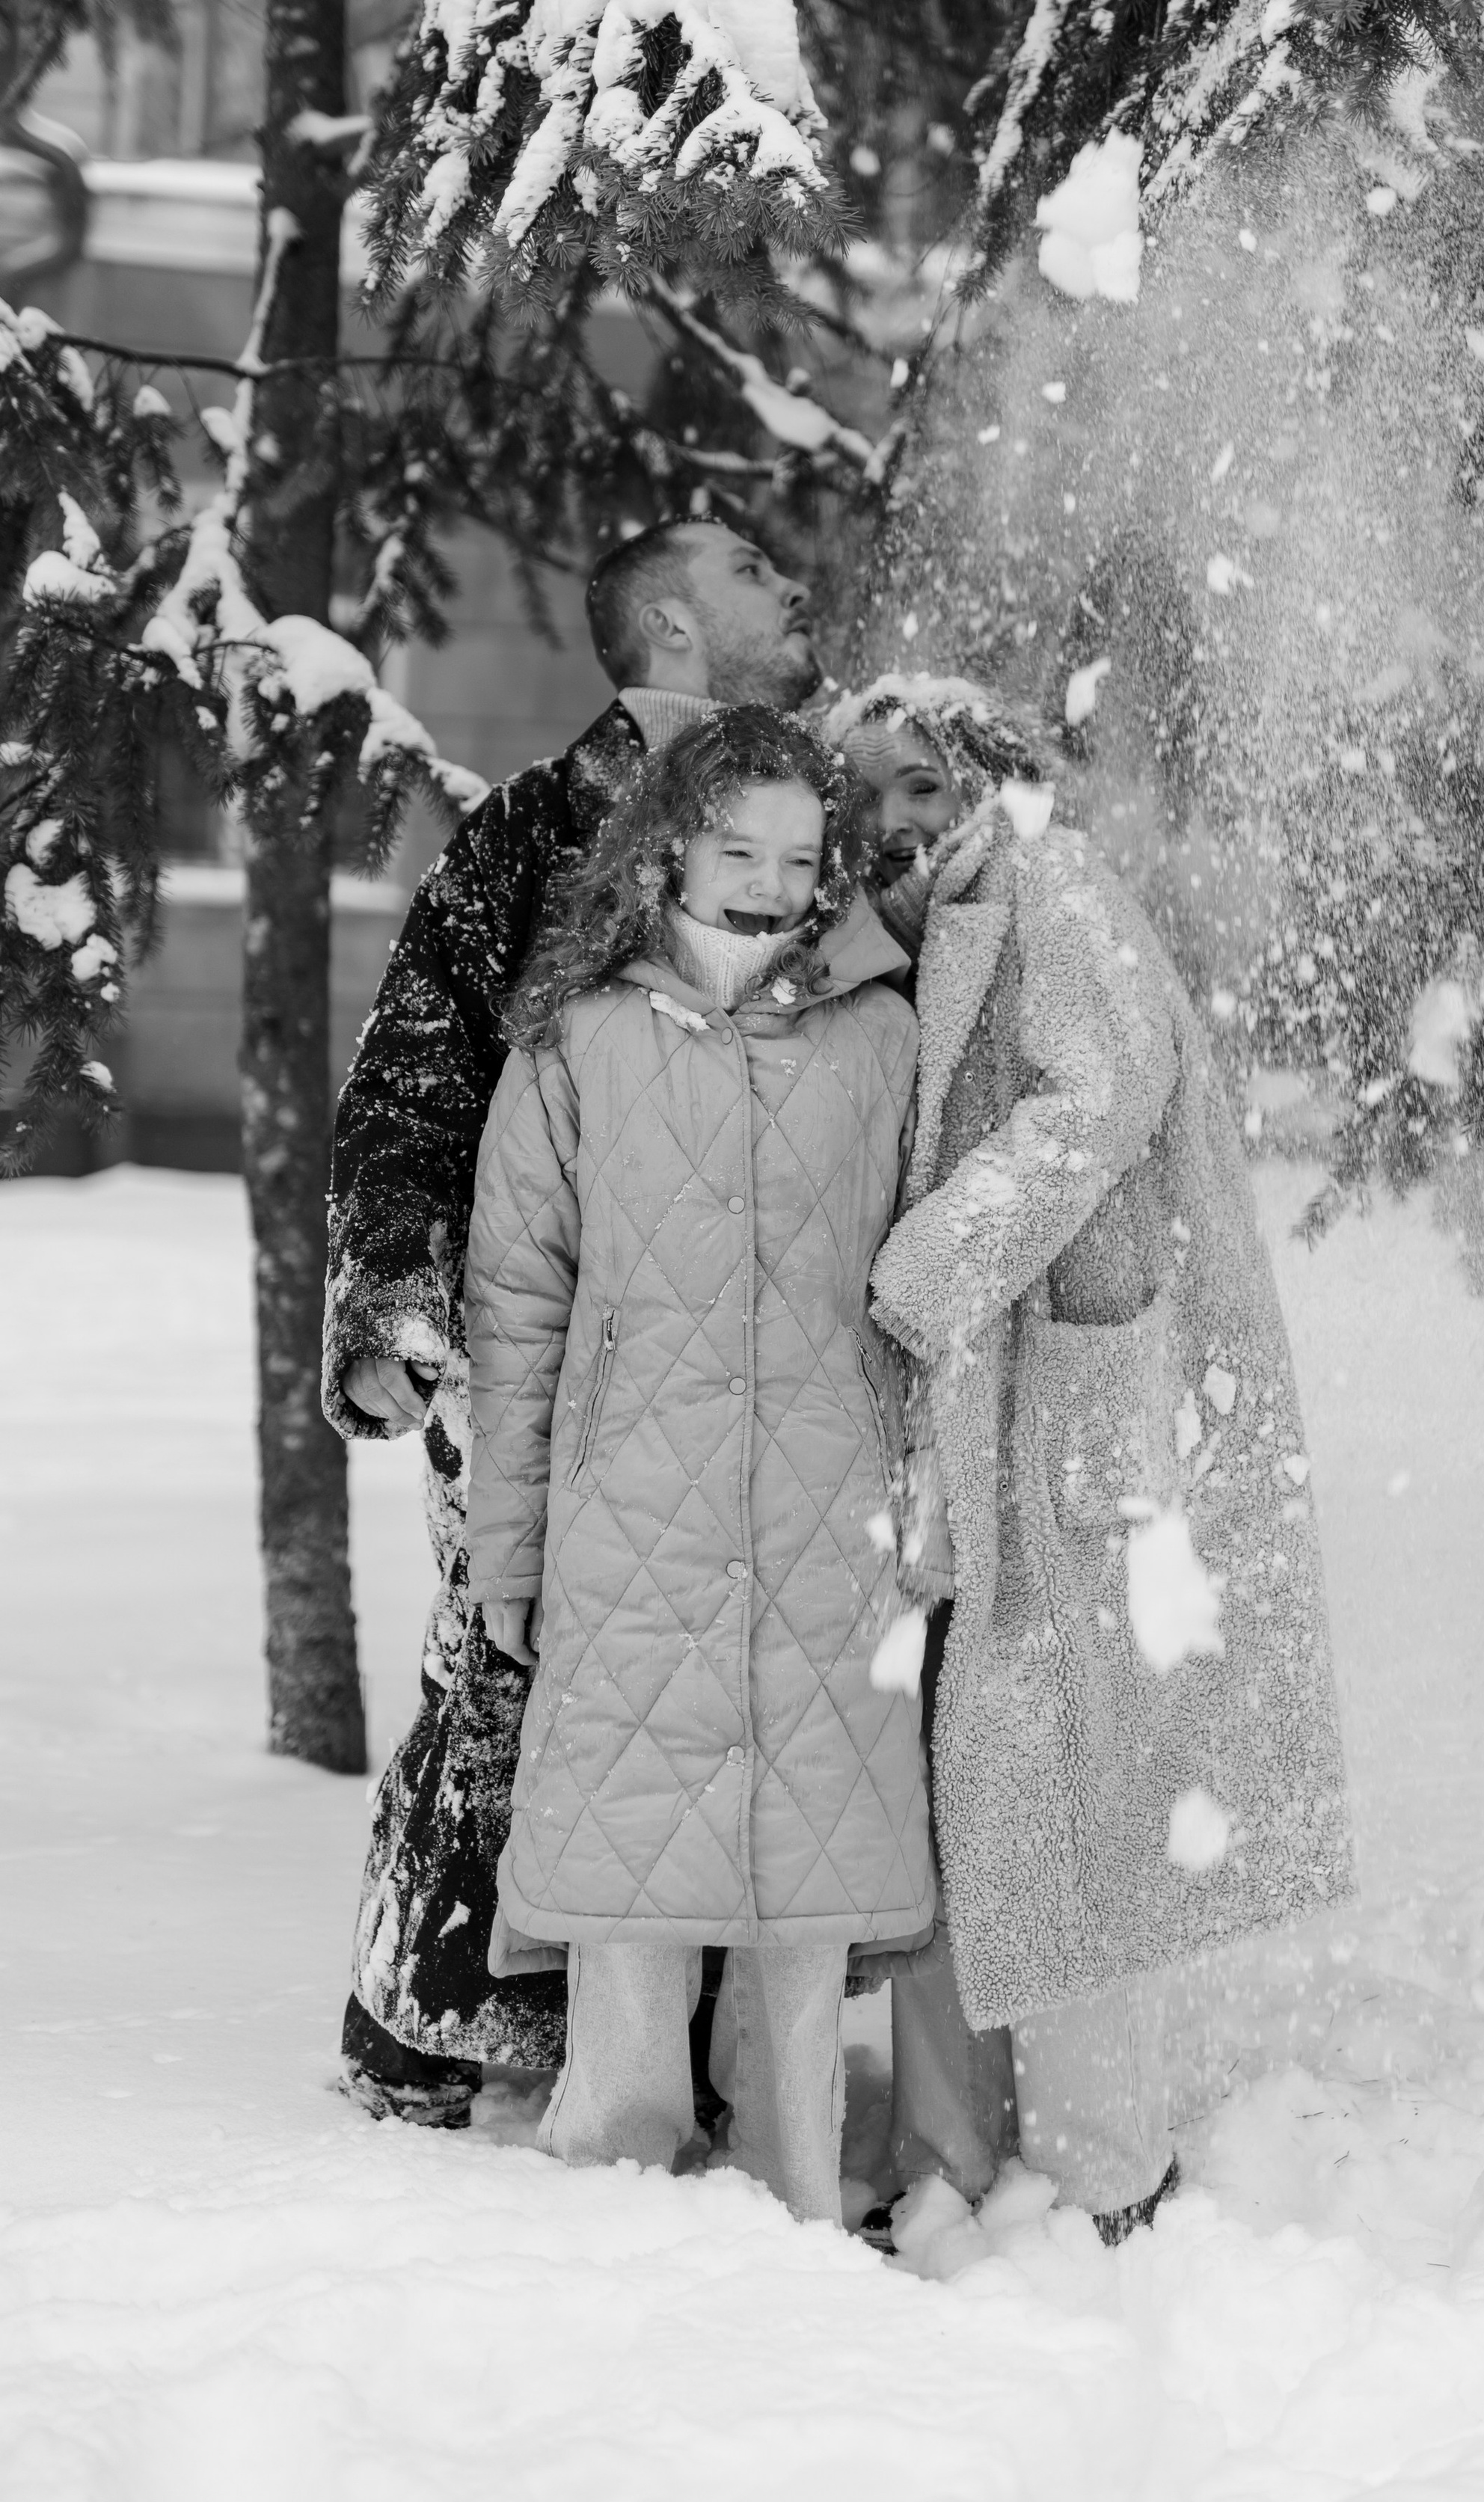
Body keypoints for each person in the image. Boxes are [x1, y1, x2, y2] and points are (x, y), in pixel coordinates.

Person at [833, 675, 1354, 2242]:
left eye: (919, 785)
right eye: (867, 795)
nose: (892, 820)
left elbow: (1099, 1097)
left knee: (1054, 1795)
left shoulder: (1050, 886)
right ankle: (1002, 2151)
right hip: (996, 1412)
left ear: (987, 773)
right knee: (992, 1783)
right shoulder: (944, 908)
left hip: (1057, 1408)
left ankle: (1105, 2171)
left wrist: (919, 1273)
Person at [322, 518, 819, 2129]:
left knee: (743, 1698)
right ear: (672, 621)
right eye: (752, 572)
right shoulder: (534, 834)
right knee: (514, 1675)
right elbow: (412, 1077)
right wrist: (401, 1299)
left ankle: (699, 2055)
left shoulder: (809, 822)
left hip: (765, 1365)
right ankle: (442, 2039)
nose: (791, 589)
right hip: (551, 1360)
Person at [462, 708, 934, 2214]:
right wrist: (510, 1553)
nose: (767, 883)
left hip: (825, 1516)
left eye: (799, 859)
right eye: (738, 849)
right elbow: (516, 1309)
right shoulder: (577, 1041)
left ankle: (797, 2196)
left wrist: (930, 1516)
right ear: (668, 842)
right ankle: (610, 2188)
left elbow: (927, 1297)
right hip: (634, 1513)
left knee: (802, 1886)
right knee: (627, 1872)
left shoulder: (882, 1038)